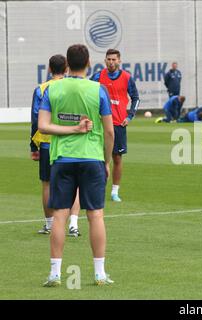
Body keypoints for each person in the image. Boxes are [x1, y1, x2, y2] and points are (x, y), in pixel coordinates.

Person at [38, 44, 114, 286]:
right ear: (89, 62)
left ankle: (55, 273)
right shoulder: (98, 90)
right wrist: (107, 160)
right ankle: (100, 273)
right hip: (91, 157)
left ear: (67, 64)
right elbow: (110, 131)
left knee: (59, 215)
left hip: (62, 158)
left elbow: (43, 126)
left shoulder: (52, 89)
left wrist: (69, 129)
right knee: (96, 215)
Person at [30, 54, 81, 237]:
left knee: (47, 184)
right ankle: (73, 224)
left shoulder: (41, 89)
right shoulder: (72, 87)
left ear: (50, 69)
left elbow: (36, 119)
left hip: (46, 142)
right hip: (69, 141)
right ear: (66, 68)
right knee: (75, 184)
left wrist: (33, 146)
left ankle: (50, 224)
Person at [91, 49, 140, 202]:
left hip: (118, 123)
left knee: (117, 158)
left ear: (119, 61)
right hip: (99, 124)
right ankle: (97, 189)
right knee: (96, 158)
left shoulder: (126, 77)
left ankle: (114, 191)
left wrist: (130, 115)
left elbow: (136, 98)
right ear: (105, 61)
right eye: (108, 59)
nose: (111, 62)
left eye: (114, 59)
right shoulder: (97, 76)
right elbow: (88, 94)